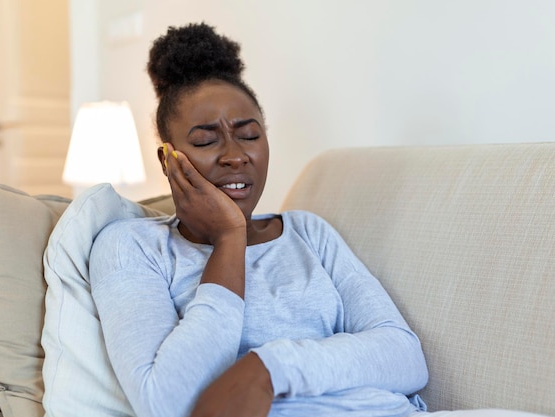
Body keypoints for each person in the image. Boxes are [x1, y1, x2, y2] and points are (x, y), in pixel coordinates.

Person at [89, 23, 541, 417]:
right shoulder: (132, 247)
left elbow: (404, 356)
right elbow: (167, 403)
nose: (234, 155)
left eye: (249, 134)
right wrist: (229, 238)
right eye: (206, 140)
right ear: (168, 160)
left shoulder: (308, 232)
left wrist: (269, 368)